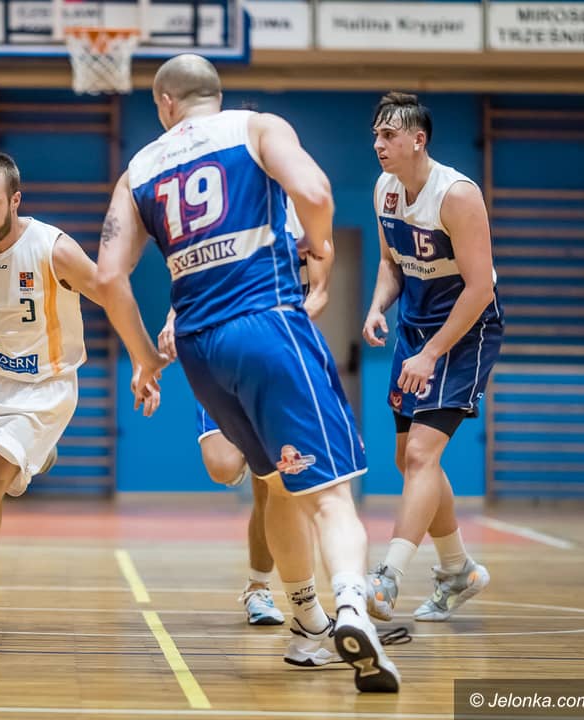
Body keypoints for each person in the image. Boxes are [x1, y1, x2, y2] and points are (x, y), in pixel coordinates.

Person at [95, 54, 400, 692]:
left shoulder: (138, 169)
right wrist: (321, 242)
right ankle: (350, 605)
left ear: (166, 104)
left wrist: (145, 357)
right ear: (215, 92)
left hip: (199, 349)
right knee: (331, 493)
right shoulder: (257, 127)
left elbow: (108, 277)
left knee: (275, 483)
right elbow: (316, 193)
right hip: (266, 324)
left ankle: (307, 624)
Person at [0, 151, 158, 631]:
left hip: (44, 386)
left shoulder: (52, 249)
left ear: (15, 200)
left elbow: (110, 293)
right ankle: (37, 455)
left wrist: (142, 357)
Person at [362, 92, 503, 622]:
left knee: (422, 455)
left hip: (465, 332)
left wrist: (431, 354)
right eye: (376, 135)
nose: (378, 144)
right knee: (409, 460)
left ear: (418, 140)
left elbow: (479, 289)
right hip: (414, 327)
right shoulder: (384, 189)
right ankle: (458, 569)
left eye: (389, 135)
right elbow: (391, 263)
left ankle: (388, 578)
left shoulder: (456, 195)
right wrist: (377, 306)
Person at [155, 221, 330, 628]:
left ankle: (261, 589)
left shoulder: (306, 216)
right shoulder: (229, 211)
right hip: (221, 350)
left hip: (278, 356)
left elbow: (320, 291)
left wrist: (280, 327)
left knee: (275, 487)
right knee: (222, 466)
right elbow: (193, 274)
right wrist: (171, 318)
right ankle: (254, 458)